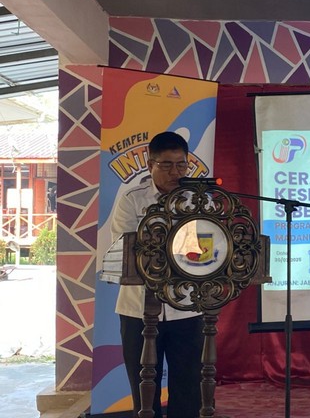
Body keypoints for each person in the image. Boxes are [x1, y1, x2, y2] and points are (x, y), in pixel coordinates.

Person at [111, 131, 204, 418]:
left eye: (181, 165)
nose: (175, 172)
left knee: (188, 387)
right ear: (150, 164)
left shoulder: (196, 201)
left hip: (187, 307)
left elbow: (201, 251)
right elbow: (127, 249)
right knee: (144, 390)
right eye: (167, 165)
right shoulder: (131, 199)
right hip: (138, 309)